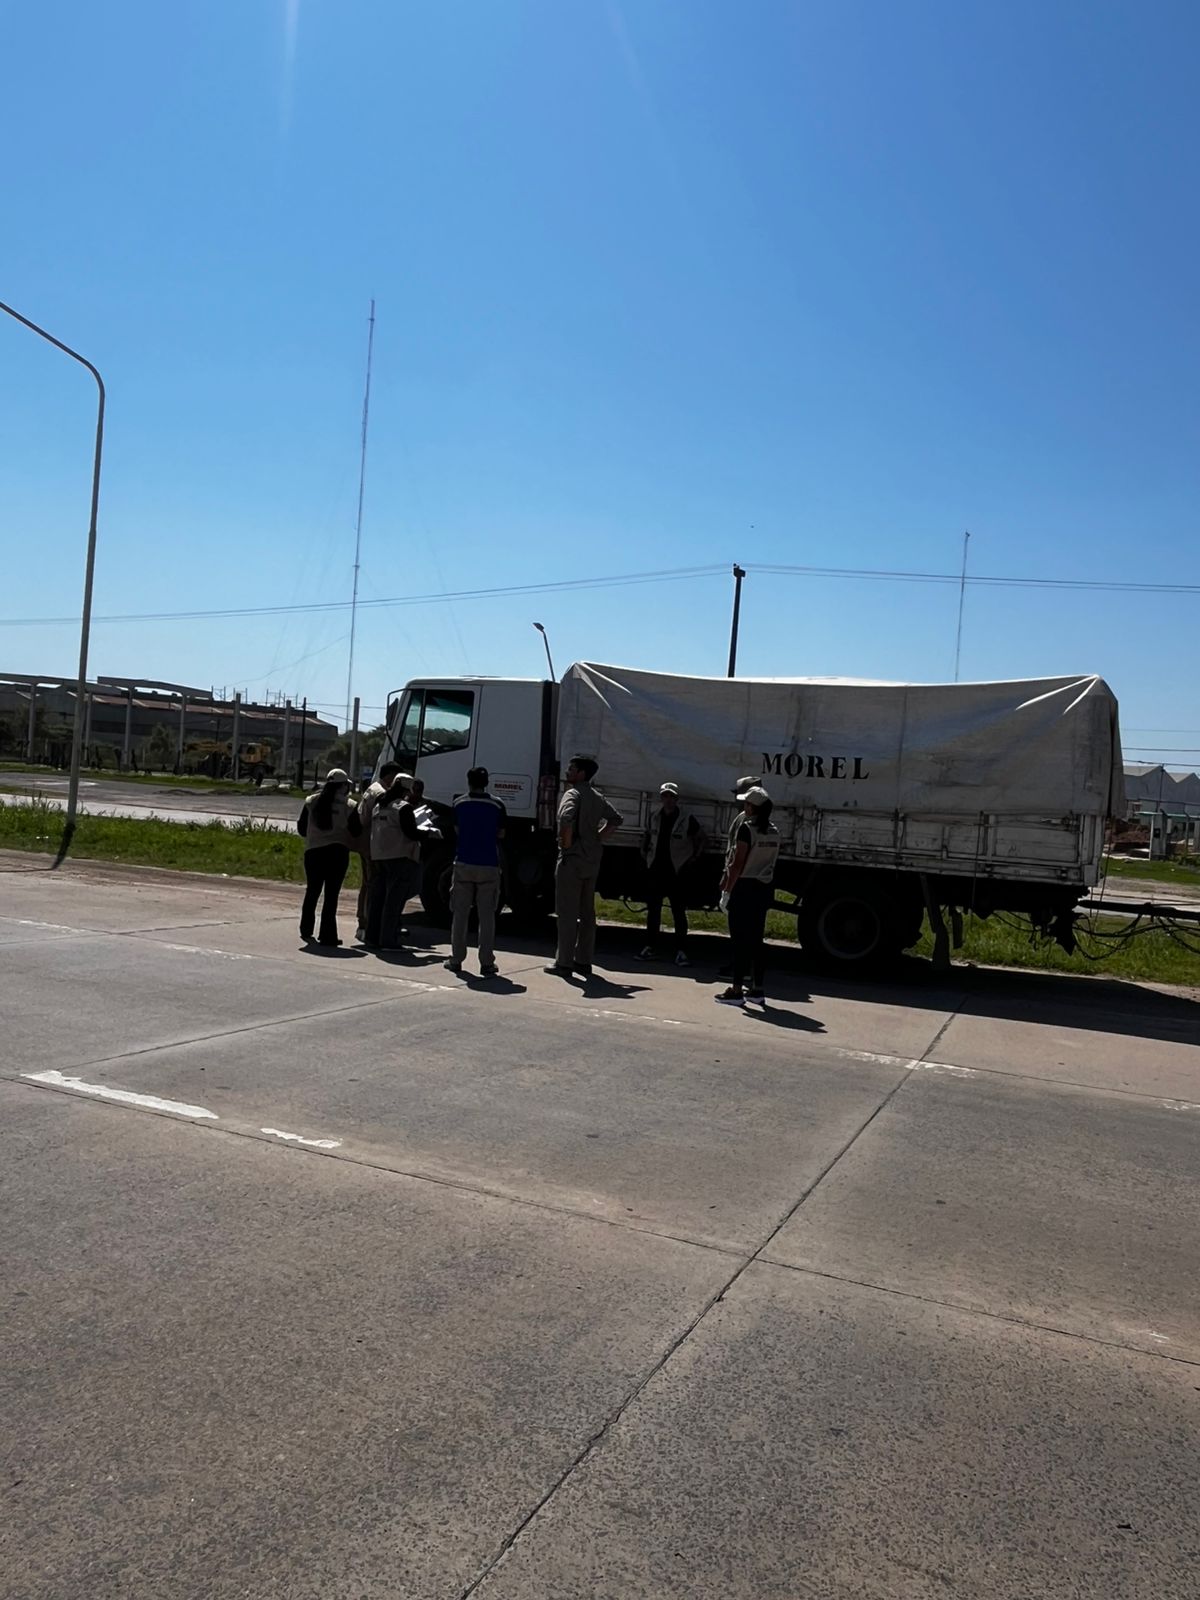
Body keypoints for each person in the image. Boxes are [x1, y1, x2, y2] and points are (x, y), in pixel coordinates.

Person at [548, 755, 623, 978]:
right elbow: (616, 819)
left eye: (571, 769)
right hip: (592, 859)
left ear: (581, 773)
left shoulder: (573, 794)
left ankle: (564, 962)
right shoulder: (597, 797)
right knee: (587, 913)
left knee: (567, 912)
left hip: (572, 859)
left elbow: (566, 818)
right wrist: (598, 838)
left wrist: (567, 843)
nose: (567, 772)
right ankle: (584, 960)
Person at [716, 785, 780, 1007]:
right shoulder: (774, 830)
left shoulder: (746, 829)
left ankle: (736, 991)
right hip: (763, 887)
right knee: (756, 940)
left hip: (744, 887)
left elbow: (737, 864)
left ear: (753, 807)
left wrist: (727, 892)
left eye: (747, 804)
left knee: (739, 941)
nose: (744, 807)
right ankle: (757, 988)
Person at [445, 766, 506, 977]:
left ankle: (456, 959)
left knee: (460, 914)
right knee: (487, 916)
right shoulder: (498, 804)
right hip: (488, 863)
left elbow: (457, 831)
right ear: (487, 782)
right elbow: (502, 833)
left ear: (468, 781)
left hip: (463, 862)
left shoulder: (458, 803)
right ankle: (486, 962)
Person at [637, 782, 705, 965]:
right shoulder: (654, 817)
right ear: (661, 798)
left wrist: (693, 858)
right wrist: (644, 851)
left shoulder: (686, 818)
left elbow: (700, 837)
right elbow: (648, 835)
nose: (668, 800)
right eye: (665, 796)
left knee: (678, 912)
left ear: (676, 799)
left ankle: (681, 951)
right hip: (657, 869)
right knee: (653, 911)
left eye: (671, 796)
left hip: (677, 871)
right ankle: (650, 947)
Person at [297, 768, 362, 947]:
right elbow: (356, 831)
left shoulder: (311, 801)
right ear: (344, 786)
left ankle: (306, 929)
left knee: (312, 892)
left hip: (313, 852)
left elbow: (302, 829)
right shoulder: (349, 805)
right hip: (337, 853)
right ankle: (328, 935)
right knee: (331, 896)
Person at [365, 772, 422, 950]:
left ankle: (372, 937)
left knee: (377, 900)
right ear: (407, 789)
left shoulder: (379, 806)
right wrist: (428, 833)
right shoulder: (402, 807)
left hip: (378, 857)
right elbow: (411, 833)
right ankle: (388, 940)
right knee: (393, 902)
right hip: (398, 857)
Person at [356, 761, 402, 940]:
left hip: (366, 842)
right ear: (389, 775)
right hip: (373, 844)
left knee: (367, 884)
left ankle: (363, 920)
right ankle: (368, 923)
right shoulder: (381, 794)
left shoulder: (372, 788)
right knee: (373, 885)